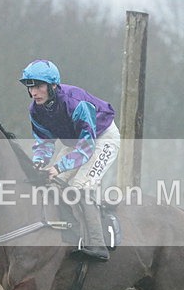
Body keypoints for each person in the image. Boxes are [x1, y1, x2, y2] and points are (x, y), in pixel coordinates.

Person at [19, 59, 120, 261]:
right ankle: (67, 236)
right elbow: (44, 142)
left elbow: (87, 147)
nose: (34, 93)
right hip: (75, 142)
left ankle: (98, 244)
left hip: (101, 139)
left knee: (79, 187)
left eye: (38, 87)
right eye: (30, 87)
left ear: (53, 86)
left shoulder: (76, 103)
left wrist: (58, 166)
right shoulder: (35, 110)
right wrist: (39, 162)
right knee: (55, 185)